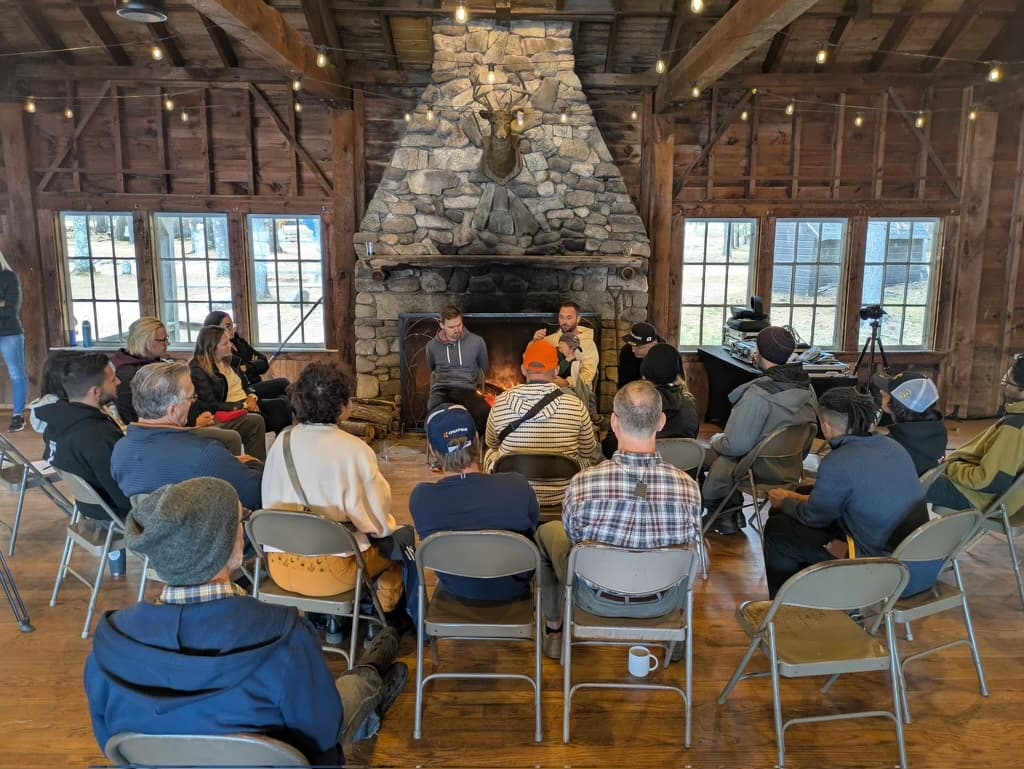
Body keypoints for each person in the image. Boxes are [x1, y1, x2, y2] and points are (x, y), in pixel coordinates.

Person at [83, 478, 408, 766]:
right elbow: (322, 733)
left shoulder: (109, 646)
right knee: (355, 687)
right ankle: (377, 669)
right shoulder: (284, 635)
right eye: (240, 519)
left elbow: (109, 741)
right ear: (227, 545)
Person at [535, 381, 702, 659]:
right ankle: (676, 640)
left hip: (594, 598)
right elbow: (690, 545)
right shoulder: (688, 487)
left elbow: (574, 538)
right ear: (661, 422)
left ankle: (555, 628)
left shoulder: (583, 483)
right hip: (662, 600)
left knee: (545, 534)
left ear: (614, 422)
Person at [261, 362, 415, 620]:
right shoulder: (355, 450)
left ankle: (326, 619)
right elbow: (378, 524)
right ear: (343, 406)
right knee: (403, 537)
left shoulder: (282, 442)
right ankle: (385, 621)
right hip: (333, 573)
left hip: (279, 565)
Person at [764, 387, 929, 598]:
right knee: (801, 495)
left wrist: (784, 503)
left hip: (886, 573)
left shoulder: (838, 461)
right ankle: (816, 592)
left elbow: (813, 518)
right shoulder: (893, 446)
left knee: (778, 529)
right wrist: (796, 498)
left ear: (826, 426)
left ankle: (787, 606)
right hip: (920, 564)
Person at [410, 403, 539, 602]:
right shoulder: (517, 487)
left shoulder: (421, 499)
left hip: (456, 589)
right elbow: (532, 527)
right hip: (513, 588)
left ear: (433, 451)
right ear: (478, 441)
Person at [703, 326, 818, 535]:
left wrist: (715, 439)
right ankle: (728, 513)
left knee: (703, 454)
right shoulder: (807, 389)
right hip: (790, 466)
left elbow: (735, 445)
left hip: (755, 469)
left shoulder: (758, 394)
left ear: (758, 352)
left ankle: (722, 513)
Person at [111, 362, 263, 511]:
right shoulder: (205, 454)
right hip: (210, 533)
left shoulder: (119, 451)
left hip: (152, 532)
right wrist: (252, 464)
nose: (193, 402)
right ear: (173, 410)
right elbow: (257, 494)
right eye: (191, 397)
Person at [35, 353, 130, 577]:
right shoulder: (96, 434)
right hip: (116, 513)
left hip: (89, 508)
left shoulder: (55, 425)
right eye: (112, 379)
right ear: (95, 392)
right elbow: (124, 495)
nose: (119, 382)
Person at [484, 340, 602, 507]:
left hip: (513, 493)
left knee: (491, 452)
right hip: (562, 495)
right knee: (586, 459)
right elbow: (588, 450)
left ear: (524, 369)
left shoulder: (502, 402)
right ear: (556, 370)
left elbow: (491, 442)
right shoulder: (575, 405)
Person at [112, 317, 243, 455]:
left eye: (167, 338)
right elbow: (138, 419)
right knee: (231, 438)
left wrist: (199, 415)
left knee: (249, 423)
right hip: (167, 434)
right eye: (162, 340)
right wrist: (193, 423)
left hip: (188, 419)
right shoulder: (128, 374)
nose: (167, 343)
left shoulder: (158, 362)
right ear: (145, 341)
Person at [926, 354, 1024, 514]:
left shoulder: (1014, 429)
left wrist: (950, 467)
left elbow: (990, 481)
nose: (1003, 386)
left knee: (910, 483)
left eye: (1007, 382)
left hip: (982, 499)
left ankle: (904, 536)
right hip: (1012, 500)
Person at [602, 343, 698, 458]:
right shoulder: (689, 404)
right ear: (678, 372)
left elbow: (609, 447)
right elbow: (692, 439)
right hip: (680, 470)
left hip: (633, 472)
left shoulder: (632, 402)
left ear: (644, 372)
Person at [190, 325, 268, 460]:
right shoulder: (198, 369)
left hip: (243, 403)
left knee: (278, 406)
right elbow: (210, 405)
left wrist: (252, 397)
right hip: (223, 411)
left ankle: (260, 465)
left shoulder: (230, 362)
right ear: (211, 348)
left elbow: (246, 385)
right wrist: (243, 406)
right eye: (225, 343)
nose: (229, 345)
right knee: (261, 418)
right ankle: (253, 467)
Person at [425, 305, 491, 437]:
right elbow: (431, 367)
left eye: (459, 325)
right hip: (442, 389)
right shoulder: (432, 346)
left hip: (467, 389)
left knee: (484, 412)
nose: (457, 330)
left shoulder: (477, 342)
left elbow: (484, 369)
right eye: (451, 327)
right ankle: (443, 450)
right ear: (442, 325)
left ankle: (471, 446)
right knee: (436, 414)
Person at [204, 309, 292, 406]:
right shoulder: (220, 351)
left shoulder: (239, 342)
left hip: (257, 382)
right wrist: (253, 364)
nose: (232, 329)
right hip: (246, 389)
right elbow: (238, 372)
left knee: (283, 398)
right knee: (283, 383)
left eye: (232, 325)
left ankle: (303, 416)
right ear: (215, 330)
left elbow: (264, 362)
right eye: (228, 326)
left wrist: (247, 367)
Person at [874, 371, 947, 476]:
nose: (881, 391)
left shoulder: (889, 447)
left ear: (896, 404)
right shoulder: (939, 434)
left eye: (887, 393)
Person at [533, 301, 599, 389]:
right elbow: (531, 356)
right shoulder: (552, 339)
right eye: (561, 317)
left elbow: (588, 375)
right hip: (550, 390)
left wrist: (567, 383)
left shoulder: (588, 344)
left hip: (577, 392)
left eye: (569, 318)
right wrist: (535, 341)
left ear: (578, 319)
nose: (564, 322)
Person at [0, 250, 27, 432]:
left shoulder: (9, 277)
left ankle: (18, 416)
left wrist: (5, 305)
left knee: (16, 374)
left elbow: (11, 309)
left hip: (9, 332)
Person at [557, 332, 596, 416]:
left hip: (570, 384)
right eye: (570, 347)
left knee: (587, 391)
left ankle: (590, 415)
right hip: (558, 387)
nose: (572, 351)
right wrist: (567, 361)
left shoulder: (575, 357)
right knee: (576, 393)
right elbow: (556, 373)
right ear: (560, 344)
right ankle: (584, 415)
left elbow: (574, 375)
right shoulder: (555, 354)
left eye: (574, 349)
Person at [617, 321, 664, 388]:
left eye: (639, 347)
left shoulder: (666, 355)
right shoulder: (627, 351)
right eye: (632, 345)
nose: (633, 350)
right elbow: (623, 384)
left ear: (653, 345)